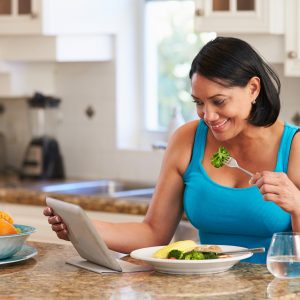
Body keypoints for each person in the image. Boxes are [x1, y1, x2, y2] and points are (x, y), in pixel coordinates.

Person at [44, 37, 300, 264]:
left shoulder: (294, 146)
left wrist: (298, 206)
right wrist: (82, 227)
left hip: (273, 286)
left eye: (218, 101)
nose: (208, 115)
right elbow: (154, 232)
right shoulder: (187, 139)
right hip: (204, 289)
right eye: (199, 102)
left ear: (253, 88)